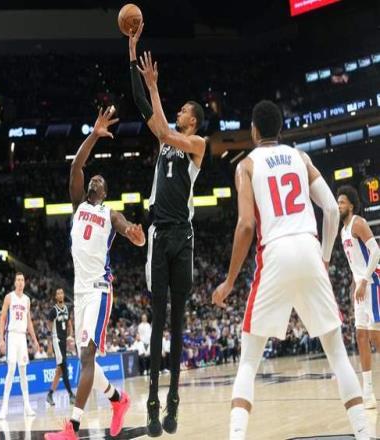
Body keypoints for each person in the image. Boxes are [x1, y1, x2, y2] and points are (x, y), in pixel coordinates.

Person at [212, 100, 369, 440]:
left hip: (276, 252)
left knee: (249, 361)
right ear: (280, 129)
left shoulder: (247, 165)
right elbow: (331, 208)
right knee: (337, 353)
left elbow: (246, 225)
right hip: (309, 247)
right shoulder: (301, 158)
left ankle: (236, 436)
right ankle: (364, 432)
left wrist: (229, 281)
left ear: (254, 131)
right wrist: (324, 256)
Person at [46, 107, 146, 440]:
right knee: (84, 358)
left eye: (101, 180)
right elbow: (76, 165)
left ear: (105, 192)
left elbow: (130, 230)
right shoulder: (79, 206)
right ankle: (118, 400)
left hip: (100, 289)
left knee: (86, 356)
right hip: (79, 291)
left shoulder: (110, 214)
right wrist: (94, 134)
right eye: (94, 178)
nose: (96, 179)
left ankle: (72, 428)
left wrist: (135, 234)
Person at [129, 23, 206, 436]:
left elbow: (166, 131)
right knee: (158, 320)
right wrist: (135, 59)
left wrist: (158, 92)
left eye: (183, 111)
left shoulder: (198, 145)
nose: (178, 113)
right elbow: (146, 109)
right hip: (159, 236)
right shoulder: (165, 141)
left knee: (177, 323)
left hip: (183, 238)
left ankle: (174, 400)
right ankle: (153, 405)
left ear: (193, 119)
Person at [338, 185, 380, 409]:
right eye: (338, 203)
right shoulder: (343, 231)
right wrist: (355, 283)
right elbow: (354, 262)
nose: (339, 206)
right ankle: (368, 392)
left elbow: (376, 252)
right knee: (361, 336)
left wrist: (363, 280)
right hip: (360, 287)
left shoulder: (358, 223)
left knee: (375, 338)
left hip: (373, 283)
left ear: (351, 205)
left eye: (342, 202)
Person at [0, 272, 39, 419]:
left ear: (24, 283)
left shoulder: (27, 300)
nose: (20, 282)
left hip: (22, 337)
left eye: (22, 280)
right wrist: (1, 339)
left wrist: (34, 340)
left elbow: (29, 322)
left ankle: (27, 406)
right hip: (11, 335)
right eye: (18, 280)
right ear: (15, 282)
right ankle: (4, 407)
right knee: (11, 370)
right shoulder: (9, 297)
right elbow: (3, 319)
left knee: (23, 372)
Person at [46, 288, 75, 406]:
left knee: (59, 372)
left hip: (63, 342)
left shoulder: (67, 308)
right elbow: (49, 327)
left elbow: (69, 324)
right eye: (58, 293)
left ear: (63, 295)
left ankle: (50, 395)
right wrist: (50, 344)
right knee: (64, 367)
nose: (60, 295)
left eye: (62, 293)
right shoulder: (53, 311)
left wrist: (70, 336)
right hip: (56, 341)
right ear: (55, 297)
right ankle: (71, 394)